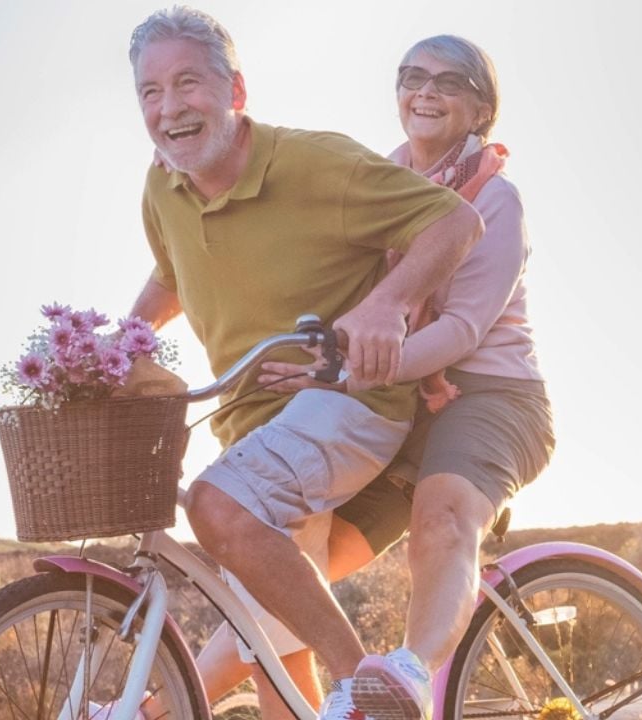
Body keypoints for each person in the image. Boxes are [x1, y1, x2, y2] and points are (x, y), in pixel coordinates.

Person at [111, 9, 484, 720]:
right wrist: (117, 347)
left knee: (215, 504)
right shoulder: (163, 188)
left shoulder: (317, 164)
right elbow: (170, 277)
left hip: (350, 404)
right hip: (256, 430)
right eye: (149, 93)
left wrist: (389, 305)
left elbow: (456, 222)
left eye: (188, 83)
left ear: (236, 91)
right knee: (278, 677)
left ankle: (365, 688)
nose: (168, 108)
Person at [174, 34, 555, 720]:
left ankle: (401, 681)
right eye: (413, 77)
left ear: (481, 109)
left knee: (442, 514)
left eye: (449, 82)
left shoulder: (498, 202)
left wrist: (347, 373)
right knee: (287, 575)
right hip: (400, 403)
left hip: (491, 397)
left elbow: (462, 332)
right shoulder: (381, 178)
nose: (426, 92)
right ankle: (161, 707)